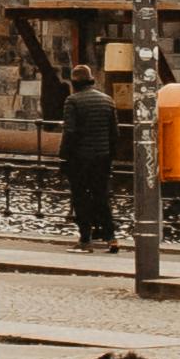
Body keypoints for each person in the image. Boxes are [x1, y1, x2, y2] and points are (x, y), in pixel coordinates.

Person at [58, 66, 119, 249]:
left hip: (80, 159)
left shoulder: (72, 101)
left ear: (75, 83)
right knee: (101, 196)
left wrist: (63, 156)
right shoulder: (108, 101)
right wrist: (110, 156)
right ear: (91, 80)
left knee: (80, 196)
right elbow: (114, 133)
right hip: (102, 157)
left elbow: (69, 132)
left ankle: (85, 238)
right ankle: (111, 237)